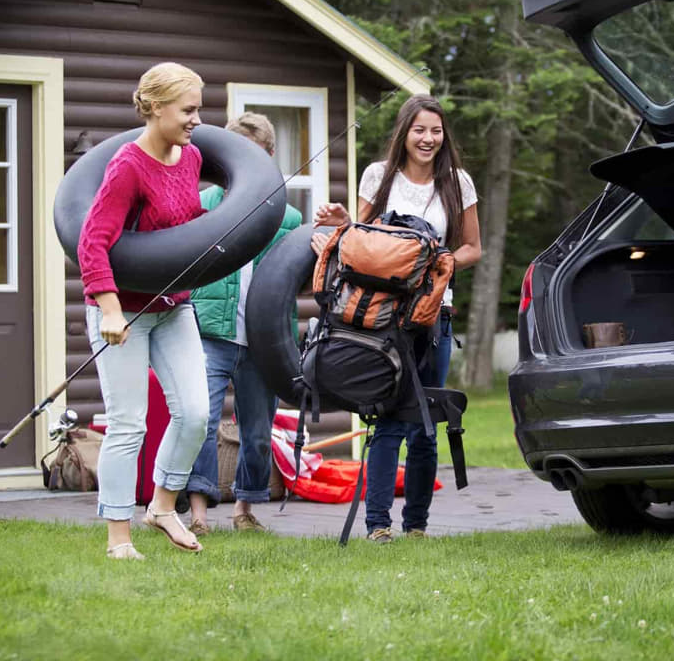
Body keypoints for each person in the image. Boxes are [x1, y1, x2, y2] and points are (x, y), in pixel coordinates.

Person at [312, 93, 481, 543]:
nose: (428, 139)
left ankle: (418, 526)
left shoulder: (457, 182)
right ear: (404, 133)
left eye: (436, 130)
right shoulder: (378, 176)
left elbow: (472, 247)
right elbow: (361, 239)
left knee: (426, 422)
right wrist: (344, 220)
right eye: (419, 130)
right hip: (385, 317)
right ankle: (378, 524)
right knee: (388, 418)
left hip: (435, 316)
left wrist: (439, 262)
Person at [78, 62, 210, 560]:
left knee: (196, 413)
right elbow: (93, 242)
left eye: (199, 108)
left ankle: (162, 505)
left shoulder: (192, 158)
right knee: (129, 422)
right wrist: (109, 310)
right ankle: (118, 538)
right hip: (123, 312)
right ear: (156, 108)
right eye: (189, 109)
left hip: (173, 307)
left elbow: (185, 232)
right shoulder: (127, 166)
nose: (197, 118)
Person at [184, 113, 302, 535]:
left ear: (269, 157)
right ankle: (197, 513)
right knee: (200, 421)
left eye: (256, 154)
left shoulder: (288, 217)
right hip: (212, 332)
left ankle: (245, 509)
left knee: (257, 431)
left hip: (263, 341)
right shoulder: (203, 205)